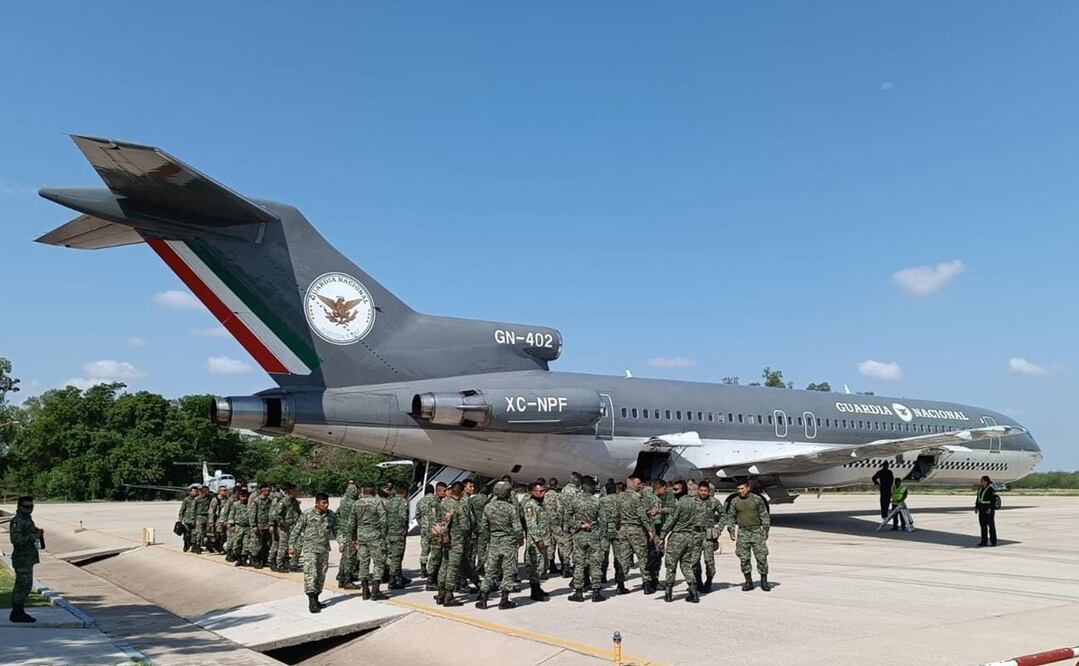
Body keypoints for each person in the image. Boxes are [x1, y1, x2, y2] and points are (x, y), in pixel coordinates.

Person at [475, 481, 523, 609]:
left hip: (494, 542)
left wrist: (484, 545)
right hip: (508, 543)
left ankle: (483, 599)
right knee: (508, 571)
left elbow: (484, 529)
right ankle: (504, 600)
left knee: (490, 571)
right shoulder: (510, 508)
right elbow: (518, 528)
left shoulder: (488, 507)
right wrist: (520, 539)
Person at [289, 493, 337, 613]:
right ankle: (311, 602)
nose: (326, 505)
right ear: (316, 503)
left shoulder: (330, 515)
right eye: (323, 503)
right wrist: (291, 545)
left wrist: (342, 542)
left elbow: (337, 530)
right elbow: (296, 530)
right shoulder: (307, 514)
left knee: (321, 575)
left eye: (327, 503)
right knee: (311, 574)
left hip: (324, 549)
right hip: (310, 549)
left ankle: (316, 598)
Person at [659, 480, 702, 603]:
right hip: (690, 537)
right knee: (686, 564)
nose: (673, 492)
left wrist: (662, 535)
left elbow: (671, 520)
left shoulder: (679, 504)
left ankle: (668, 594)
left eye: (676, 489)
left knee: (671, 565)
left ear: (682, 490)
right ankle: (693, 592)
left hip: (678, 537)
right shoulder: (695, 503)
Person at [726, 480, 771, 592]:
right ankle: (748, 581)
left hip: (756, 531)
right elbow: (731, 516)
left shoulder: (757, 499)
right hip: (743, 532)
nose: (740, 491)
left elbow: (764, 514)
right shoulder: (735, 501)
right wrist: (731, 530)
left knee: (761, 557)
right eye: (738, 489)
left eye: (742, 488)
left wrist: (765, 530)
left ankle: (764, 581)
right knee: (744, 558)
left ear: (748, 488)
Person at [566, 476, 606, 603]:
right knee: (595, 564)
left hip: (579, 537)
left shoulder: (575, 501)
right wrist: (598, 534)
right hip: (593, 537)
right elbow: (604, 521)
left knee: (579, 564)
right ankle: (596, 592)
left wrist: (579, 525)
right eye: (593, 485)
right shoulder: (597, 502)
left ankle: (578, 592)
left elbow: (567, 518)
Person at [615, 475, 656, 594]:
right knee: (643, 557)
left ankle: (620, 584)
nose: (640, 486)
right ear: (631, 484)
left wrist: (619, 527)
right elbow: (642, 516)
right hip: (636, 530)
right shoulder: (637, 498)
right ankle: (647, 584)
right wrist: (649, 529)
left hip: (623, 530)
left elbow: (616, 515)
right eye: (638, 484)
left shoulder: (619, 497)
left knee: (624, 558)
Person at [347, 485, 389, 600]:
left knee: (363, 563)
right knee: (378, 563)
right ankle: (375, 590)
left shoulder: (356, 504)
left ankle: (365, 590)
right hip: (375, 536)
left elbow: (351, 523)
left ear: (363, 492)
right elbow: (384, 520)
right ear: (373, 492)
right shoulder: (377, 502)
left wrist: (353, 538)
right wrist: (383, 534)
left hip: (362, 536)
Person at [435, 482, 471, 606]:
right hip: (456, 541)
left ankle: (441, 593)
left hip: (445, 539)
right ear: (461, 492)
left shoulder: (444, 502)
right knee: (453, 567)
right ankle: (449, 595)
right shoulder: (460, 507)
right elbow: (465, 526)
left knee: (444, 565)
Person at [8, 496, 43, 623]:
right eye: (26, 507)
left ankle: (19, 611)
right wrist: (32, 536)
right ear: (19, 507)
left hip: (28, 557)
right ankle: (16, 613)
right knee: (21, 586)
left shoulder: (27, 520)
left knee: (26, 585)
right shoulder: (17, 521)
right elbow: (16, 540)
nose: (29, 509)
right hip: (22, 558)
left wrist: (37, 533)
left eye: (31, 507)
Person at [522, 481, 551, 601]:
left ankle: (538, 588)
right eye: (540, 491)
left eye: (543, 491)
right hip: (535, 542)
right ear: (532, 492)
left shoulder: (541, 504)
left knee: (541, 566)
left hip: (543, 540)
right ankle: (534, 592)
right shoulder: (530, 506)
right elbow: (531, 524)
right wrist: (539, 540)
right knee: (534, 566)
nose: (543, 493)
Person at [694, 480, 722, 593]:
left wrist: (719, 528)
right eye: (701, 490)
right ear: (698, 491)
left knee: (709, 561)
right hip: (695, 534)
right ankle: (698, 582)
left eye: (705, 491)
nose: (703, 493)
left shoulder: (714, 502)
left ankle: (709, 582)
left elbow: (724, 514)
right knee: (694, 561)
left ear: (709, 491)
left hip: (708, 535)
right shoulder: (692, 502)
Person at [385, 484, 411, 588]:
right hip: (398, 534)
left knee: (392, 556)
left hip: (389, 533)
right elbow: (403, 517)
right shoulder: (403, 502)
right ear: (404, 491)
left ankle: (399, 577)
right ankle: (392, 581)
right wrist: (404, 529)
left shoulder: (389, 501)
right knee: (397, 557)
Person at [424, 482, 448, 588]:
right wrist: (438, 534)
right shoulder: (434, 502)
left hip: (438, 532)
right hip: (435, 533)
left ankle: (434, 579)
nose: (445, 492)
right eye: (444, 491)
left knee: (438, 556)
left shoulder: (440, 501)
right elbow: (433, 519)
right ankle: (430, 581)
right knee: (435, 556)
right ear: (438, 491)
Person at [271, 484, 301, 572]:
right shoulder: (283, 502)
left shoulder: (295, 502)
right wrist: (283, 523)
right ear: (291, 492)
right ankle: (280, 565)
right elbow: (276, 514)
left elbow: (298, 513)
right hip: (284, 528)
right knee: (283, 547)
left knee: (298, 545)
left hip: (294, 527)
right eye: (296, 491)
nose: (297, 493)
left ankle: (293, 564)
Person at [336, 481, 360, 588]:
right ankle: (347, 580)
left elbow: (337, 513)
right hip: (351, 533)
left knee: (345, 556)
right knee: (350, 557)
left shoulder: (343, 501)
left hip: (344, 531)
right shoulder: (353, 503)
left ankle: (341, 577)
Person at [416, 483, 440, 578]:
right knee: (435, 550)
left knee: (425, 550)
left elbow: (417, 515)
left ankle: (423, 569)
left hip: (424, 529)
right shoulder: (436, 500)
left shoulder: (420, 501)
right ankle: (432, 571)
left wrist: (422, 524)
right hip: (435, 528)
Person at [598, 479, 620, 584]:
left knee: (604, 554)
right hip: (617, 530)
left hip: (605, 530)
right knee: (618, 555)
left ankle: (603, 575)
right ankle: (619, 576)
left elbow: (600, 516)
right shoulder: (620, 499)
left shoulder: (602, 501)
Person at [249, 484, 273, 568]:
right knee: (257, 544)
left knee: (266, 545)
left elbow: (271, 513)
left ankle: (264, 560)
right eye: (267, 490)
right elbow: (252, 514)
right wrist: (254, 525)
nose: (269, 492)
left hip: (267, 526)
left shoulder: (270, 501)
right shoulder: (256, 501)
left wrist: (271, 524)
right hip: (259, 527)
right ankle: (255, 560)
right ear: (262, 490)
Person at [228, 489, 252, 565]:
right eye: (242, 496)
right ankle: (238, 558)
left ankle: (243, 559)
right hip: (238, 526)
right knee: (237, 543)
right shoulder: (235, 504)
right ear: (239, 496)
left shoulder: (250, 504)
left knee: (246, 544)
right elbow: (231, 514)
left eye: (245, 496)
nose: (243, 498)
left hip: (247, 527)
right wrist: (231, 525)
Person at [976, 476, 998, 547]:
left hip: (988, 509)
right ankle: (983, 541)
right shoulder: (980, 489)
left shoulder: (991, 489)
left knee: (991, 526)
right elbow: (978, 498)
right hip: (981, 509)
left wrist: (990, 508)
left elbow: (993, 500)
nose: (981, 481)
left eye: (982, 480)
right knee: (983, 526)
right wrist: (976, 507)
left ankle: (993, 542)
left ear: (986, 481)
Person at [192, 485, 211, 554]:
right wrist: (193, 519)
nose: (208, 492)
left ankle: (207, 545)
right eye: (207, 491)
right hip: (199, 516)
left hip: (206, 517)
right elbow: (193, 509)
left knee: (207, 532)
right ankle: (197, 546)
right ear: (203, 491)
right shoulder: (197, 499)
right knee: (199, 533)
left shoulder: (209, 498)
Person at [178, 484, 198, 551]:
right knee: (187, 534)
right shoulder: (186, 499)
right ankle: (186, 545)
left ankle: (193, 546)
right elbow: (182, 510)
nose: (195, 493)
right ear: (190, 492)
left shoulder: (197, 499)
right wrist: (180, 520)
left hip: (195, 520)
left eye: (196, 491)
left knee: (194, 534)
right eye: (193, 491)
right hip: (187, 519)